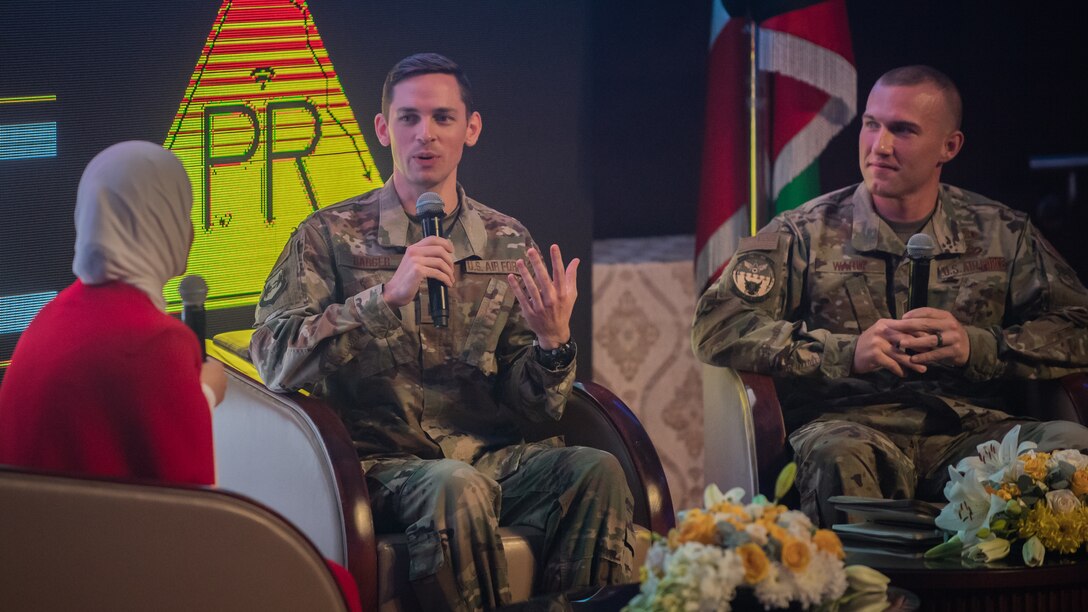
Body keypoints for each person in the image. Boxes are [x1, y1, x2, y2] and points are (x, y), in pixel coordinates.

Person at [251, 53, 634, 610]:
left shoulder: (507, 240)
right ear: (383, 128)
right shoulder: (327, 236)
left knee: (596, 470)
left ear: (470, 129)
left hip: (488, 456)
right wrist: (383, 298)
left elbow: (534, 410)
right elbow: (273, 359)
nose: (424, 134)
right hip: (378, 467)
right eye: (407, 118)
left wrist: (552, 346)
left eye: (442, 118)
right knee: (455, 484)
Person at [692, 65, 1088, 527]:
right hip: (849, 427)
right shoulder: (802, 232)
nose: (879, 146)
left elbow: (1078, 323)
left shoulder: (1002, 232)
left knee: (1072, 447)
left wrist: (978, 346)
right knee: (838, 455)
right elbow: (715, 325)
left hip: (973, 431)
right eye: (871, 124)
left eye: (902, 130)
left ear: (949, 146)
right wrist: (845, 353)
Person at [0, 141, 226, 484]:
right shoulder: (157, 342)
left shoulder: (49, 317)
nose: (191, 231)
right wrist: (207, 395)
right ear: (160, 226)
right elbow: (190, 510)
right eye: (181, 214)